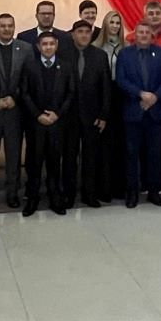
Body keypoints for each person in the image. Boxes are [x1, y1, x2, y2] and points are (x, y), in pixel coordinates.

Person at [0, 14, 33, 209]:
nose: (7, 29)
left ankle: (12, 191)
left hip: (15, 110)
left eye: (10, 26)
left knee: (13, 153)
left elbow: (28, 78)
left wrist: (14, 98)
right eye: (3, 26)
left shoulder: (26, 49)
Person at [20, 32, 75, 216]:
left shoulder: (66, 66)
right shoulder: (30, 65)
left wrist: (57, 114)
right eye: (45, 44)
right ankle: (32, 198)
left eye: (52, 43)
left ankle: (55, 197)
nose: (48, 47)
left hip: (57, 123)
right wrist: (38, 115)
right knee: (34, 163)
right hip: (36, 123)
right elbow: (24, 93)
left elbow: (70, 93)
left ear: (56, 45)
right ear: (38, 46)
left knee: (54, 162)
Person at [118, 20, 161, 208]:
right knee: (131, 154)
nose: (143, 35)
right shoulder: (125, 54)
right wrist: (141, 94)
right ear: (135, 34)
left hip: (155, 112)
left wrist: (155, 97)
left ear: (152, 35)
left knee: (154, 154)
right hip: (133, 111)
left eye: (147, 33)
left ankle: (154, 192)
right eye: (140, 32)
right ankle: (132, 192)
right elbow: (121, 80)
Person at [62, 19, 113, 208]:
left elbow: (106, 87)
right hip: (68, 115)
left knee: (90, 157)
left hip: (93, 116)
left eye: (87, 32)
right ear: (73, 34)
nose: (84, 35)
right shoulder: (63, 54)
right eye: (80, 31)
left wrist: (103, 115)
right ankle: (68, 195)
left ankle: (89, 194)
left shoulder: (99, 56)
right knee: (69, 157)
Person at [94, 11, 128, 199]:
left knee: (120, 144)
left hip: (121, 96)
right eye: (112, 22)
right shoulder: (96, 47)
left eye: (117, 23)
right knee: (103, 145)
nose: (115, 25)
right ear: (105, 24)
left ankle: (119, 186)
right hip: (101, 97)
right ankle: (103, 187)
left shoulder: (126, 47)